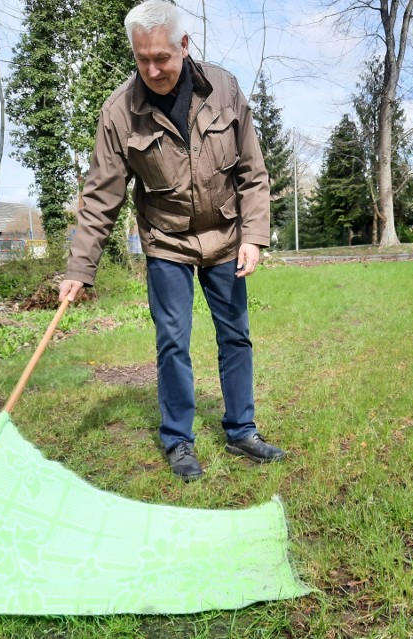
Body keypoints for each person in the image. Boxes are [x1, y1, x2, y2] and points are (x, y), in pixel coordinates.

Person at [59, 0, 286, 481]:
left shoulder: (223, 88)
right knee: (172, 342)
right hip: (166, 241)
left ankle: (242, 430)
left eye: (162, 57)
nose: (153, 69)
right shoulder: (119, 113)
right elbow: (101, 195)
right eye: (142, 59)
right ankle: (179, 441)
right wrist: (80, 268)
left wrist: (255, 236)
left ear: (184, 45)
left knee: (235, 336)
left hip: (225, 237)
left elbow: (252, 170)